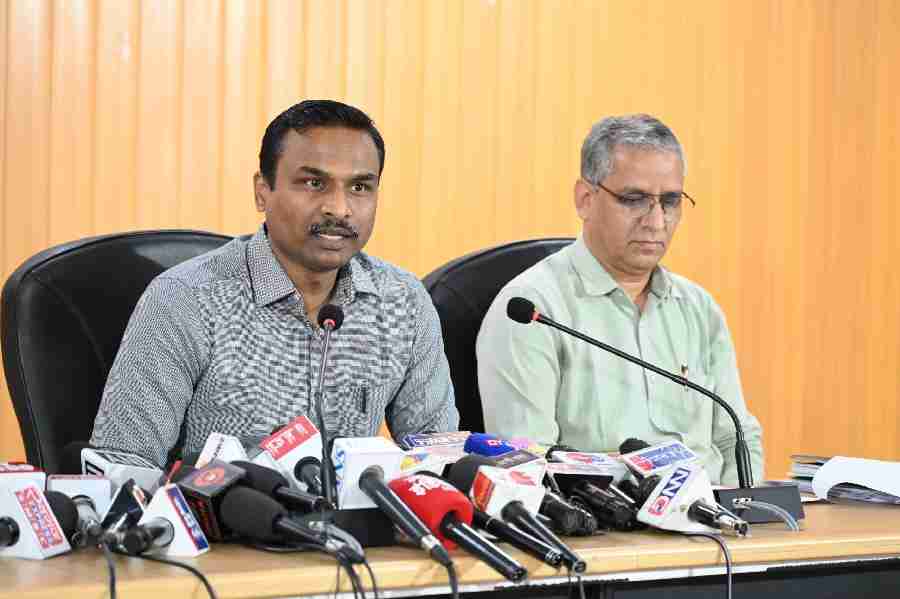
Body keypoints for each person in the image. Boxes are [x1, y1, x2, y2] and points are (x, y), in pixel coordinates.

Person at [91, 100, 458, 467]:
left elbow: (437, 458)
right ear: (262, 191)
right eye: (314, 183)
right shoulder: (185, 300)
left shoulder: (404, 301)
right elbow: (123, 465)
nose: (339, 208)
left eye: (360, 187)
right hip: (221, 505)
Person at [476, 114, 763, 486]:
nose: (656, 221)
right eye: (634, 199)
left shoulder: (698, 309)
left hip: (712, 516)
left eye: (670, 201)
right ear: (585, 199)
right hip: (600, 518)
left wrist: (744, 508)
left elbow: (736, 438)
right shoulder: (532, 310)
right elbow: (527, 464)